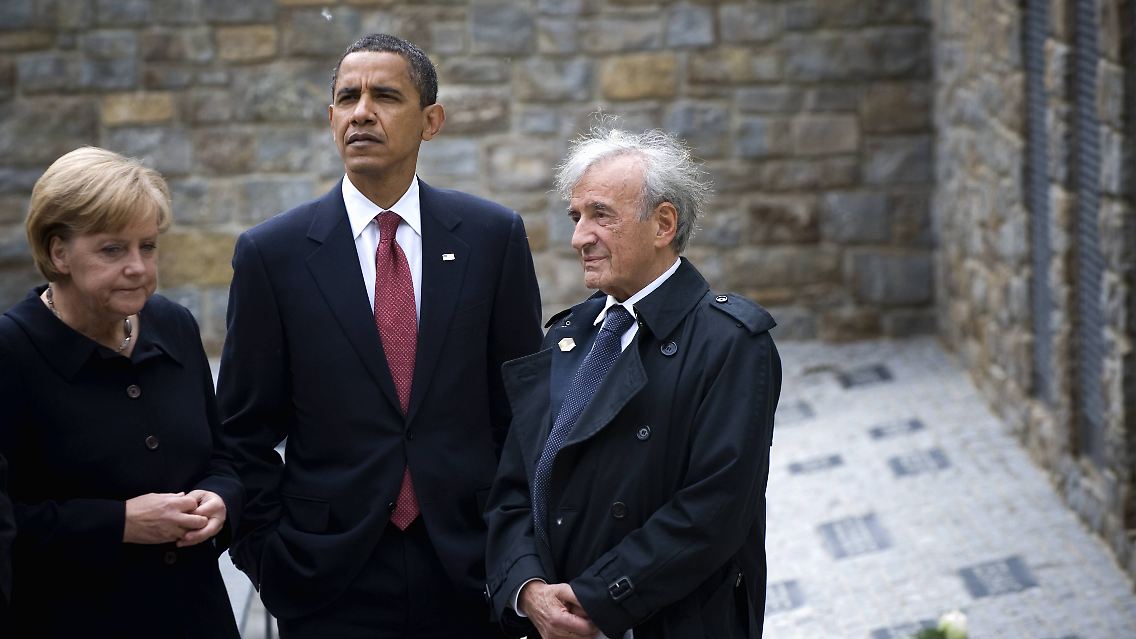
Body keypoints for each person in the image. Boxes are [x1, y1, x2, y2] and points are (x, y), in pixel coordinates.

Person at [217, 33, 543, 638]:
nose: (362, 111)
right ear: (332, 117)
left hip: (469, 570)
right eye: (347, 97)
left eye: (385, 96)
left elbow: (523, 415)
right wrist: (270, 558)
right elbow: (243, 431)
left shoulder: (492, 238)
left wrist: (516, 552)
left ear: (431, 121)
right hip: (327, 575)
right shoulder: (273, 254)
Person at [484, 126, 782, 639]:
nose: (579, 237)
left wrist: (598, 599)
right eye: (576, 217)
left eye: (601, 215)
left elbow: (713, 511)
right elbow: (513, 486)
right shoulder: (568, 336)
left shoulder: (730, 343)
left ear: (663, 223)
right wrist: (526, 588)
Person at [0, 146, 244, 637]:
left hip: (196, 617)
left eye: (148, 246)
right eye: (113, 249)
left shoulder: (173, 325)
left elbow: (223, 458)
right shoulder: (12, 351)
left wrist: (220, 499)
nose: (138, 266)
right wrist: (120, 523)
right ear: (57, 252)